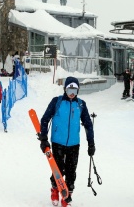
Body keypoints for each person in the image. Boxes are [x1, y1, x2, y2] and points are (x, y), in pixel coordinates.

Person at [38, 76, 95, 207]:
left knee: (71, 171)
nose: (72, 93)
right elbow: (45, 119)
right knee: (58, 170)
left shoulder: (80, 104)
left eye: (75, 90)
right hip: (58, 141)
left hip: (74, 144)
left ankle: (67, 196)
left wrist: (91, 143)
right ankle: (54, 189)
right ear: (65, 89)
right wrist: (44, 139)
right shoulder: (57, 102)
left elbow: (88, 124)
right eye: (70, 89)